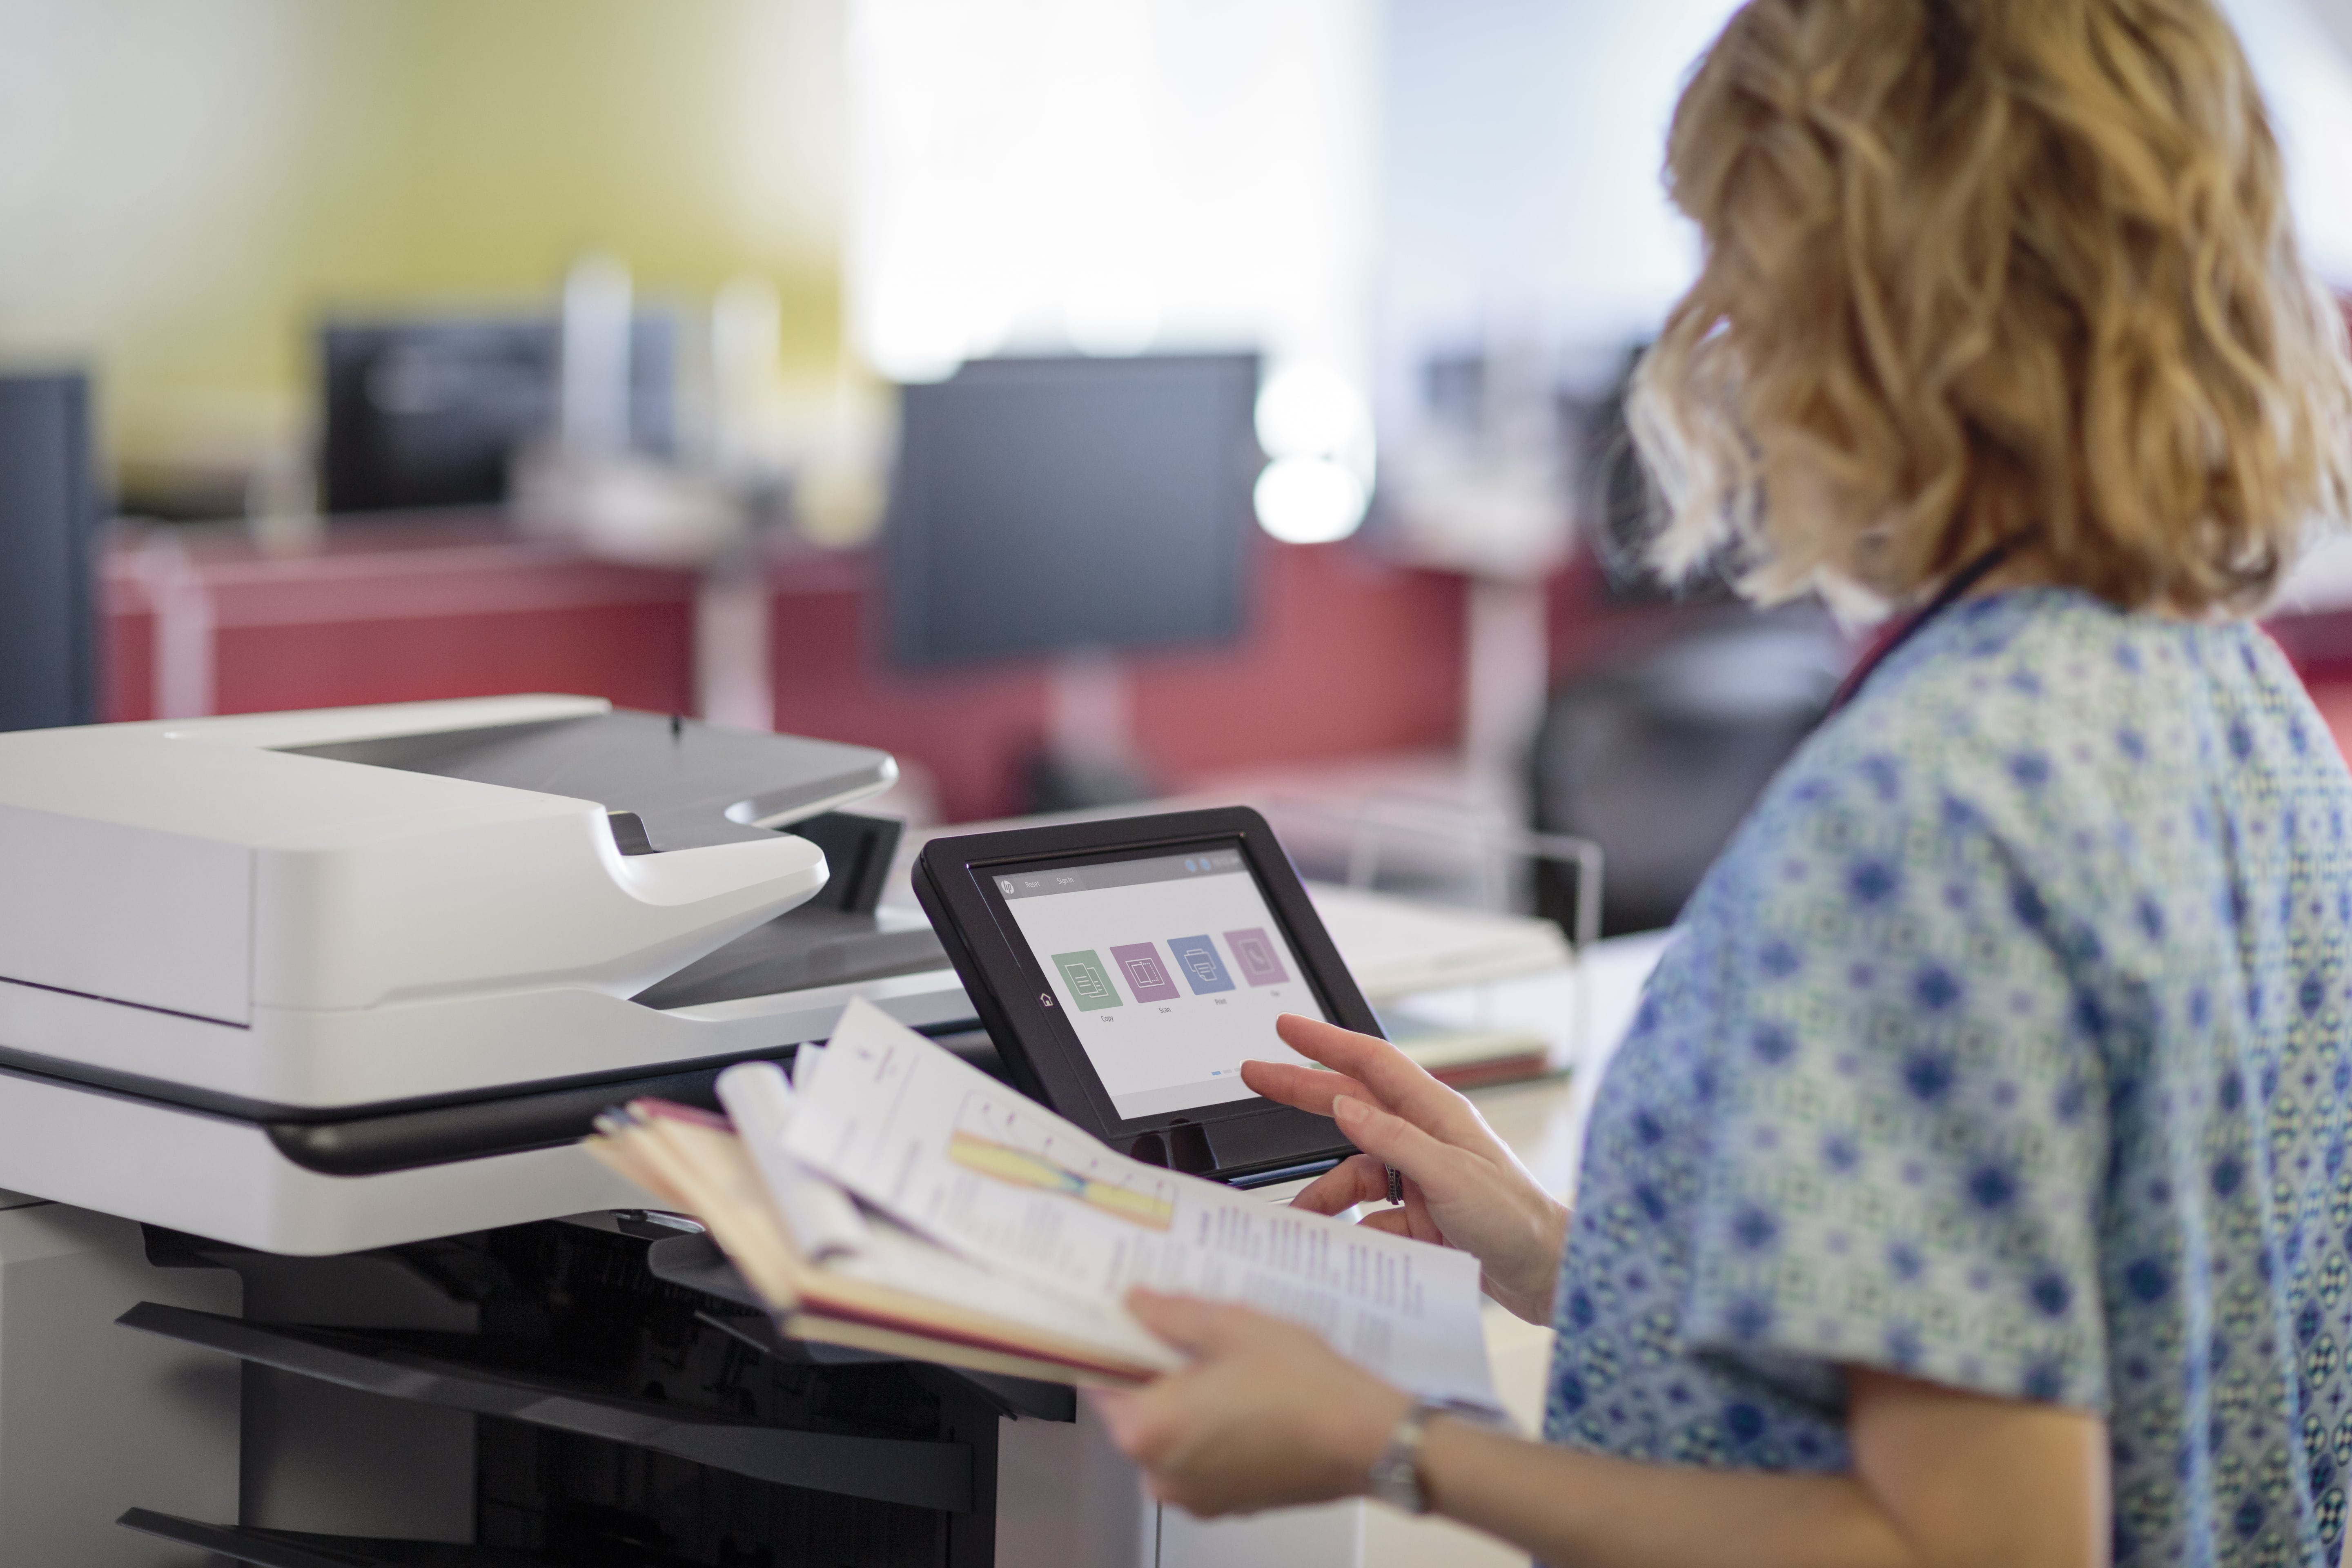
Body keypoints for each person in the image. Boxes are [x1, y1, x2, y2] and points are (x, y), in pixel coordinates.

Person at [1091, 1, 2352, 1563]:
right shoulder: (2232, 699)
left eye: (1731, 258)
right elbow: (2039, 1324)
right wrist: (1565, 1265)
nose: (1713, 334)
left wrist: (1391, 1444)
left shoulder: (1926, 815)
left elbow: (1980, 1547)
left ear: (1866, 306)